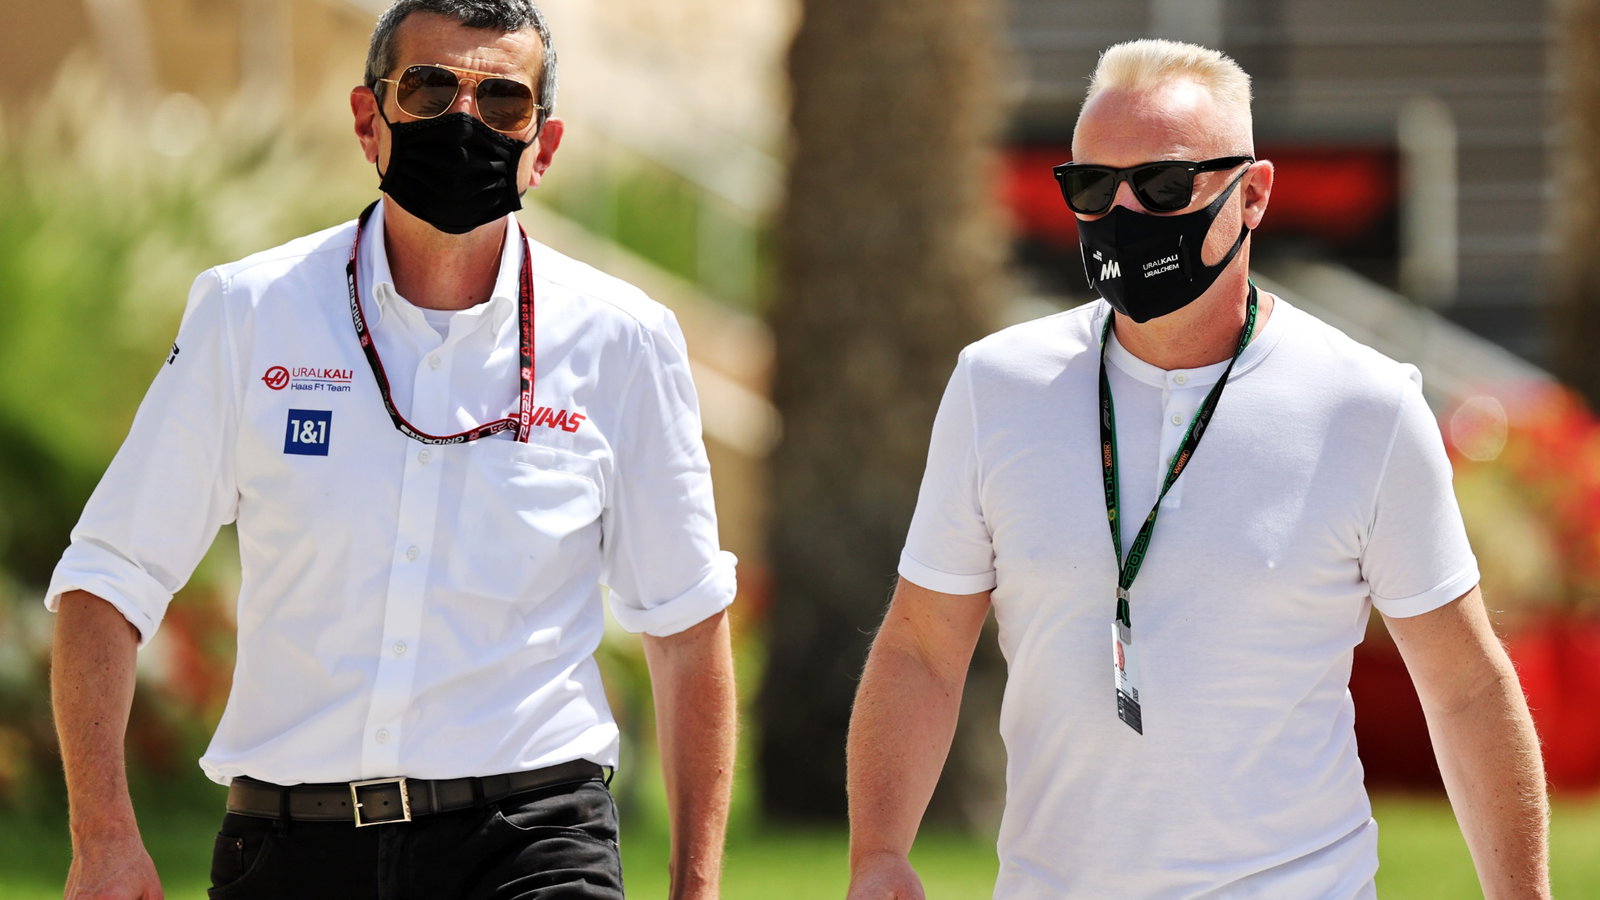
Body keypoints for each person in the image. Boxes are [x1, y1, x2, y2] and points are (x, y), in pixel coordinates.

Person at [48, 2, 737, 897]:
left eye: (501, 103)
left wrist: (698, 889)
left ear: (546, 144)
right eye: (429, 88)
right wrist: (103, 835)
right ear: (369, 122)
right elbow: (107, 580)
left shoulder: (627, 340)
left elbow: (686, 628)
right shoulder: (249, 313)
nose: (464, 121)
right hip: (288, 847)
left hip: (532, 843)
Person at [845, 39, 1550, 899]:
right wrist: (878, 850)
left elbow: (1467, 686)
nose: (1125, 212)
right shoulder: (998, 386)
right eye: (1094, 187)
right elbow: (921, 647)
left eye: (1166, 187)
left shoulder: (1365, 404)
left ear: (1252, 194)